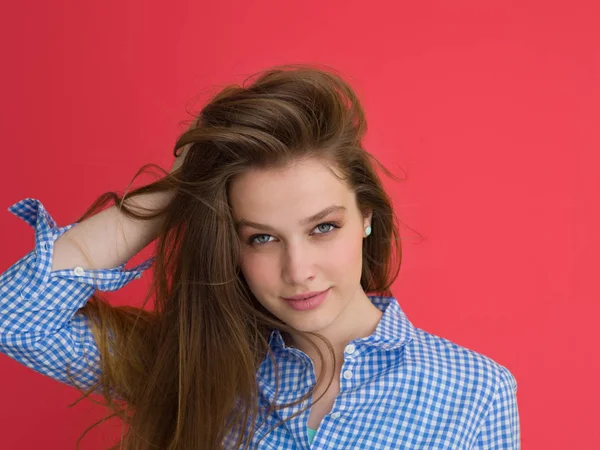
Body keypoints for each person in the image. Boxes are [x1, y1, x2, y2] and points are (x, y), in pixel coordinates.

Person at [0, 64, 520, 449]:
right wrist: (182, 189)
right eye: (262, 238)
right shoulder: (193, 367)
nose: (298, 271)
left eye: (323, 227)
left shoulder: (475, 392)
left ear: (367, 218)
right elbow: (17, 321)